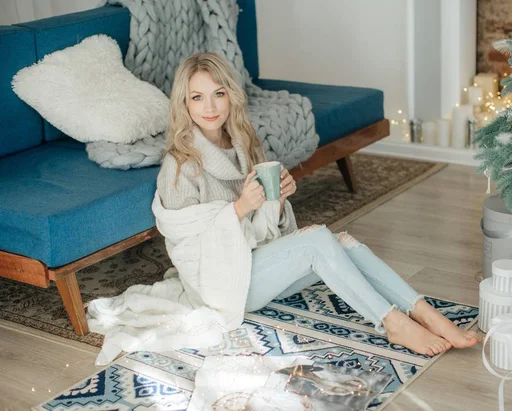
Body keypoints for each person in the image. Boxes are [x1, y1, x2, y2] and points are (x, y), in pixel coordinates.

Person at [156, 52, 478, 357]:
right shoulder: (180, 165)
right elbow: (186, 249)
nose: (209, 106)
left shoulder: (243, 144)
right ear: (184, 103)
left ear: (231, 96)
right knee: (316, 243)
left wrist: (278, 201)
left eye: (218, 94)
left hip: (253, 265)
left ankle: (426, 313)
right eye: (197, 97)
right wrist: (238, 209)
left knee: (341, 245)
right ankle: (392, 323)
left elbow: (265, 229)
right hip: (223, 287)